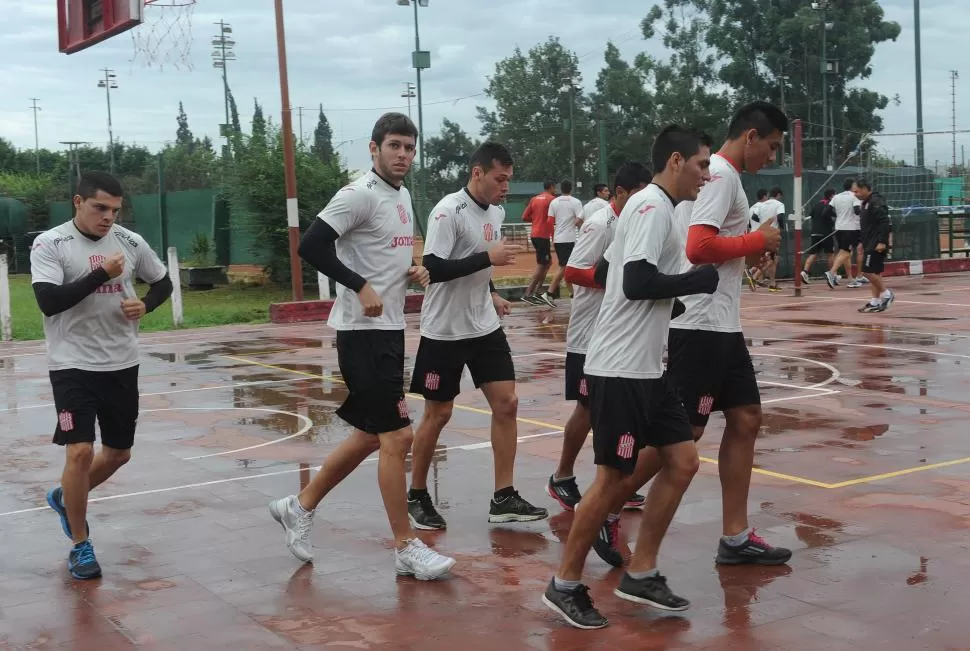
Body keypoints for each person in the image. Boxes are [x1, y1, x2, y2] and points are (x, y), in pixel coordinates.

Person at [542, 125, 719, 630]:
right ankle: (566, 584)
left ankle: (641, 571)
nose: (707, 176)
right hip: (619, 369)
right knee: (611, 480)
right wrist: (694, 281)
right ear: (677, 160)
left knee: (682, 460)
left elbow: (635, 282)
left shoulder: (664, 209)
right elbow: (635, 281)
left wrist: (677, 294)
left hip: (648, 367)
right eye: (702, 166)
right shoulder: (650, 206)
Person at [268, 112, 456, 581]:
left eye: (409, 148)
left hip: (389, 331)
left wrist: (415, 268)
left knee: (372, 435)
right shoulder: (357, 194)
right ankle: (405, 546)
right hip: (360, 334)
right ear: (373, 149)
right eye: (394, 146)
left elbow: (387, 248)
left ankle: (300, 504)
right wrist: (358, 285)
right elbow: (310, 245)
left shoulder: (402, 195)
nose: (403, 156)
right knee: (399, 436)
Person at [32, 171, 174, 580]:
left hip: (121, 362)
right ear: (78, 203)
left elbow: (162, 281)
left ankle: (66, 497)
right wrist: (100, 275)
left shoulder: (130, 242)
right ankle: (80, 543)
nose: (108, 217)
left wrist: (146, 305)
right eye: (100, 208)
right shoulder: (50, 243)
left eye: (115, 210)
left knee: (119, 453)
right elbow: (48, 302)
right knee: (78, 452)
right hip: (71, 364)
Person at [666, 101, 790, 567]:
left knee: (746, 418)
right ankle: (606, 510)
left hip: (722, 323)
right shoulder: (720, 172)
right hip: (700, 323)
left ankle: (735, 537)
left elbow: (714, 245)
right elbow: (698, 247)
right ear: (751, 137)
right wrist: (758, 241)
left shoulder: (718, 175)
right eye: (772, 147)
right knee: (683, 432)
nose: (772, 158)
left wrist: (743, 251)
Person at [406, 141, 548, 530]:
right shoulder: (447, 211)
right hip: (444, 331)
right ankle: (416, 494)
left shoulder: (497, 212)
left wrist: (491, 292)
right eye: (500, 179)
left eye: (508, 179)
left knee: (507, 403)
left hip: (483, 325)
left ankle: (503, 496)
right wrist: (488, 259)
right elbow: (433, 267)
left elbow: (477, 264)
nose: (505, 187)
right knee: (439, 413)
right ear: (477, 173)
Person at [548, 162, 653, 565]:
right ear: (620, 193)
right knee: (588, 409)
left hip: (617, 338)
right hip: (588, 336)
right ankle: (562, 476)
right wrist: (618, 282)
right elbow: (573, 270)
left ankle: (613, 484)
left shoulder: (641, 221)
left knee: (619, 410)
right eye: (639, 194)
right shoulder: (598, 223)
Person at [854, 180, 895, 312]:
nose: (856, 194)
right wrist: (861, 241)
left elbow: (885, 222)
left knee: (867, 271)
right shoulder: (866, 203)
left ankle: (887, 295)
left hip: (876, 243)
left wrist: (882, 242)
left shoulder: (876, 202)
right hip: (868, 242)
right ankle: (875, 301)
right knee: (875, 272)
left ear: (866, 188)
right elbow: (866, 225)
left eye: (857, 191)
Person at [544, 180, 585, 306]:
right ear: (571, 189)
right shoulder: (576, 202)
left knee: (567, 266)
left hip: (559, 239)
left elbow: (550, 221)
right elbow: (579, 220)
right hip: (569, 239)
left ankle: (572, 294)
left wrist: (552, 238)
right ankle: (549, 293)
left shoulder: (554, 202)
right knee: (565, 267)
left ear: (560, 188)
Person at [520, 181, 557, 306]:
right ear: (551, 187)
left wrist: (536, 219)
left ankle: (537, 291)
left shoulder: (534, 199)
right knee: (542, 265)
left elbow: (524, 217)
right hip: (543, 235)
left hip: (535, 234)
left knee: (548, 262)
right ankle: (528, 293)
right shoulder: (552, 199)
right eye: (555, 187)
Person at [825, 179, 865, 288]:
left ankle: (851, 279)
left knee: (847, 253)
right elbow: (857, 211)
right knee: (846, 252)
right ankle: (831, 272)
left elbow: (827, 211)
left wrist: (838, 216)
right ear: (852, 186)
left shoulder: (836, 197)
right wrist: (865, 212)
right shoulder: (854, 196)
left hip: (838, 228)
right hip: (851, 228)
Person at [802, 189, 837, 284]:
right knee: (830, 254)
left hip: (815, 233)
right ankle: (832, 275)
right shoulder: (829, 207)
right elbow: (831, 217)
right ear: (831, 196)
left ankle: (804, 272)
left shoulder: (816, 205)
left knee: (813, 253)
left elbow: (811, 216)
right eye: (835, 195)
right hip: (826, 234)